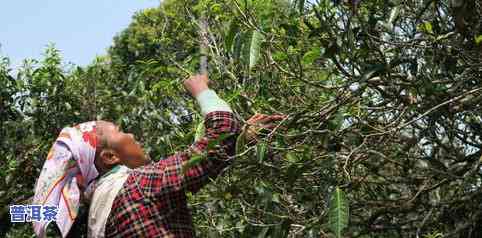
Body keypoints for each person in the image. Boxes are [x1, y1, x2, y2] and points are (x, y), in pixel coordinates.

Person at [32, 74, 285, 238]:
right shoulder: (138, 186)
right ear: (109, 157)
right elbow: (222, 133)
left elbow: (203, 158)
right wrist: (201, 90)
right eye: (120, 131)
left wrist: (242, 138)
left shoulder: (97, 217)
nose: (130, 134)